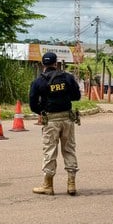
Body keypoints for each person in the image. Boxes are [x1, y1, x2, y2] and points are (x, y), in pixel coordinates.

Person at [29, 52, 82, 196]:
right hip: (67, 119)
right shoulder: (67, 77)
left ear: (42, 64)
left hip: (50, 120)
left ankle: (48, 185)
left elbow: (32, 104)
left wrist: (41, 111)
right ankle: (71, 184)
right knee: (69, 150)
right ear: (56, 63)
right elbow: (76, 96)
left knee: (50, 151)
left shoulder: (38, 81)